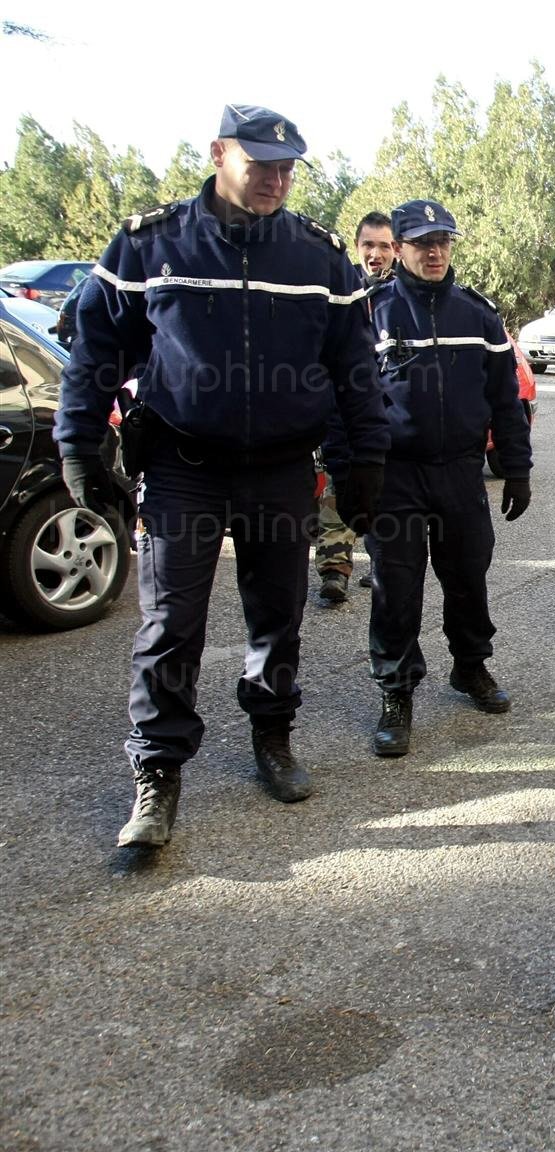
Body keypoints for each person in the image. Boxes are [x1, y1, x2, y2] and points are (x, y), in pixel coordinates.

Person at [55, 104, 390, 848]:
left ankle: (272, 736)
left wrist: (362, 458)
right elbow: (95, 352)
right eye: (259, 163)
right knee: (170, 625)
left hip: (278, 469)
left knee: (277, 616)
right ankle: (157, 773)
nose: (275, 178)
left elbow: (353, 369)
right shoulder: (152, 244)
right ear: (217, 153)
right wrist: (78, 445)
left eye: (286, 167)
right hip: (184, 468)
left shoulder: (318, 257)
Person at [341, 198, 532, 758]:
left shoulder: (477, 315)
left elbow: (507, 399)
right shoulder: (370, 312)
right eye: (422, 242)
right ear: (397, 247)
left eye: (443, 241)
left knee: (469, 577)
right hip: (395, 476)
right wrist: (349, 473)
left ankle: (470, 668)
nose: (434, 252)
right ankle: (396, 694)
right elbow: (345, 399)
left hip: (460, 473)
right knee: (397, 589)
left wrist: (517, 469)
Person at [314, 211, 399, 604]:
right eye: (369, 245)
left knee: (386, 497)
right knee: (337, 491)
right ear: (357, 246)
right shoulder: (338, 288)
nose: (376, 254)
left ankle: (381, 566)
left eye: (384, 246)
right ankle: (335, 570)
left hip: (386, 417)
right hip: (342, 412)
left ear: (396, 250)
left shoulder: (404, 295)